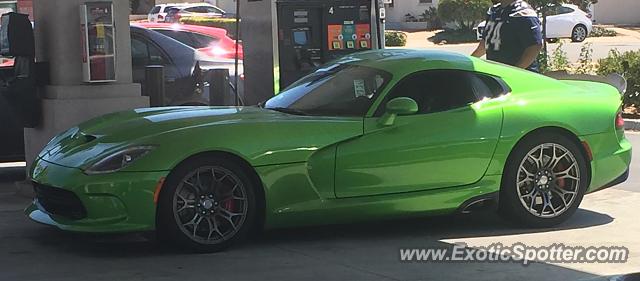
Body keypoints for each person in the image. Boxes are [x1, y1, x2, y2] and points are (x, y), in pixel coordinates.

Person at [471, 0, 543, 72]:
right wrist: (469, 61)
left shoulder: (523, 12)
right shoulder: (494, 11)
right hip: (498, 73)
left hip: (520, 76)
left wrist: (515, 71)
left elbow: (535, 46)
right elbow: (483, 46)